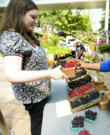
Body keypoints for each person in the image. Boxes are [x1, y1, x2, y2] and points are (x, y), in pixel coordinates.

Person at [0, 0, 66, 135]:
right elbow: (13, 74)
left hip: (41, 95)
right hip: (33, 99)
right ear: (19, 14)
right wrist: (49, 73)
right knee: (39, 129)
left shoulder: (26, 34)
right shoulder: (12, 38)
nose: (36, 21)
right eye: (33, 17)